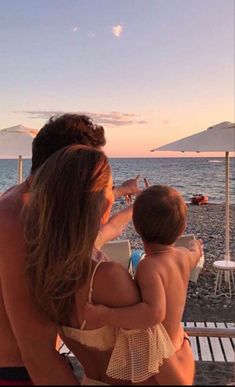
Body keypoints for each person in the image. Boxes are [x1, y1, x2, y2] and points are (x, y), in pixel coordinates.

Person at [0, 114, 140, 385]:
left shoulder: (36, 206)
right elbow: (35, 350)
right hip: (19, 374)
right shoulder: (18, 218)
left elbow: (100, 233)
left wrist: (130, 206)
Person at [85, 185, 203, 385]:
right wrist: (196, 246)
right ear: (182, 228)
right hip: (176, 341)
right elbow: (195, 253)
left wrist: (105, 314)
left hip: (160, 355)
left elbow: (154, 313)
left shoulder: (149, 265)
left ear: (138, 228)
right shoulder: (183, 257)